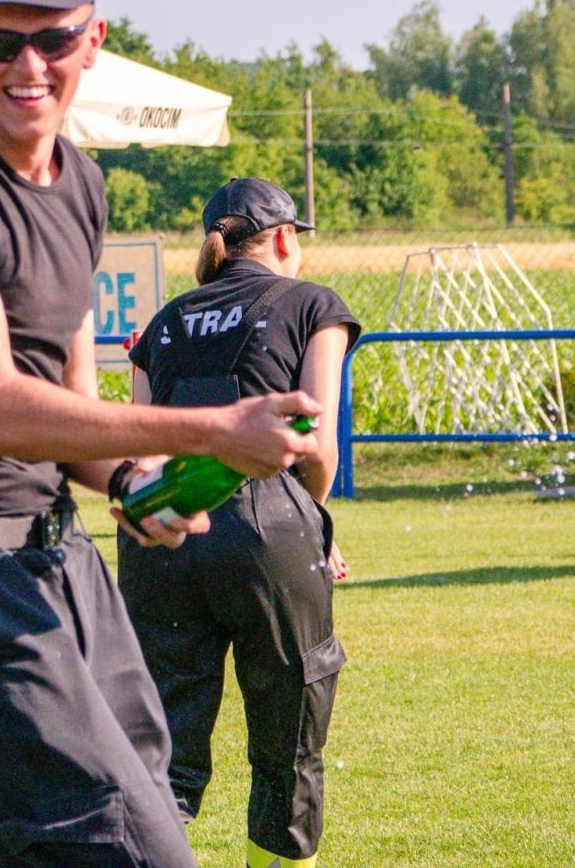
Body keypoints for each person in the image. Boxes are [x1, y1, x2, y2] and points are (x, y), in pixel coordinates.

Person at [0, 0, 321, 868]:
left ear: (92, 41)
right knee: (125, 846)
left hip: (53, 557)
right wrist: (214, 430)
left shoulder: (82, 186)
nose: (28, 65)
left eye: (53, 38)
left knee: (149, 795)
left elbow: (71, 399)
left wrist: (134, 480)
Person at [119, 178, 359, 868]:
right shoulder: (312, 304)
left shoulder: (164, 322)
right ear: (282, 238)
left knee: (158, 753)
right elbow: (315, 439)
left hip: (162, 531)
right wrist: (310, 522)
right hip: (268, 529)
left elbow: (140, 447)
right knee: (288, 748)